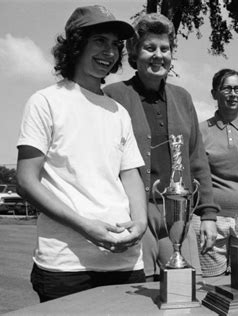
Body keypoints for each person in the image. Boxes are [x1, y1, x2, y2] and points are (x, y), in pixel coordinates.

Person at [16, 5, 148, 302]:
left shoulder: (119, 112)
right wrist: (87, 228)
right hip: (65, 266)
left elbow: (131, 176)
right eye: (100, 41)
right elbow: (26, 181)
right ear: (76, 45)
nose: (110, 52)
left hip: (126, 263)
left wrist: (139, 224)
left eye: (115, 45)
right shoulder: (45, 102)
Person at [104, 13, 218, 280]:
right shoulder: (113, 95)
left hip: (179, 212)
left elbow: (197, 158)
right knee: (136, 295)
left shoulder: (182, 97)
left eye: (165, 49)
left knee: (186, 288)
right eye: (149, 47)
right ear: (134, 52)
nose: (158, 55)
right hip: (133, 213)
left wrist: (209, 214)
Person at [191, 69, 238, 277]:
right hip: (211, 222)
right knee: (209, 285)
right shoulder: (200, 130)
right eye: (227, 88)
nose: (233, 94)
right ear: (214, 93)